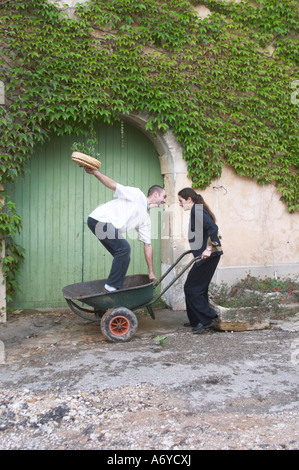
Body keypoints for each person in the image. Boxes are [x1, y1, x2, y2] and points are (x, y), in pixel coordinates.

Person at [84, 167, 166, 291]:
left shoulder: (146, 219)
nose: (164, 201)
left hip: (102, 223)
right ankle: (111, 287)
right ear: (155, 194)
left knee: (122, 255)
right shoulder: (137, 195)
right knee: (124, 249)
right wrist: (96, 172)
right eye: (164, 197)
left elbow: (147, 245)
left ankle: (114, 286)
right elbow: (114, 185)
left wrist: (151, 272)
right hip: (99, 219)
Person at [178, 188, 223, 334]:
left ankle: (207, 319)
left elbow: (213, 228)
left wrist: (208, 249)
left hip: (209, 256)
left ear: (189, 199)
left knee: (191, 288)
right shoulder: (196, 210)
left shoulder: (197, 210)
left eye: (181, 201)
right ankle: (196, 320)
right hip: (205, 256)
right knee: (198, 288)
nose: (180, 204)